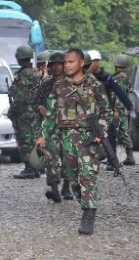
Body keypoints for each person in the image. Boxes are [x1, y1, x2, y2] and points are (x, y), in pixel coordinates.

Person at [36, 48, 111, 235]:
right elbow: (51, 114)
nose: (66, 65)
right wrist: (43, 134)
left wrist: (100, 130)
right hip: (66, 139)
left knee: (87, 175)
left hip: (87, 139)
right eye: (65, 62)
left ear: (81, 64)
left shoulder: (95, 85)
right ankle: (84, 203)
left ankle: (89, 214)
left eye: (70, 62)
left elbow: (106, 112)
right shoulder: (59, 87)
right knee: (72, 177)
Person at [33, 51, 73, 200]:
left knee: (69, 158)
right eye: (54, 65)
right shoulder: (45, 86)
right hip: (50, 128)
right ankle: (55, 187)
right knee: (51, 158)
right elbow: (36, 106)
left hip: (68, 127)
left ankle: (66, 187)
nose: (57, 68)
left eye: (59, 64)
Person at [88, 50, 134, 170]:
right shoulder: (83, 77)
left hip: (105, 111)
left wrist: (128, 105)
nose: (95, 64)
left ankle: (111, 161)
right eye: (93, 61)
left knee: (111, 134)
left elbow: (119, 91)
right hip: (89, 112)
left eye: (96, 61)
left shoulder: (106, 77)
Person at [8, 45, 42, 179]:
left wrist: (11, 111)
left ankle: (29, 168)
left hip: (24, 113)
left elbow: (20, 98)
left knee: (25, 140)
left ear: (19, 58)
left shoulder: (22, 76)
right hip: (36, 112)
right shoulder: (37, 73)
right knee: (35, 139)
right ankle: (36, 167)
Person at [112, 54, 136, 165]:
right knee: (123, 131)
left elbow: (119, 94)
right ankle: (129, 157)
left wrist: (116, 109)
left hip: (119, 109)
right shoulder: (125, 76)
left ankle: (112, 159)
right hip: (122, 108)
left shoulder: (119, 77)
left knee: (117, 132)